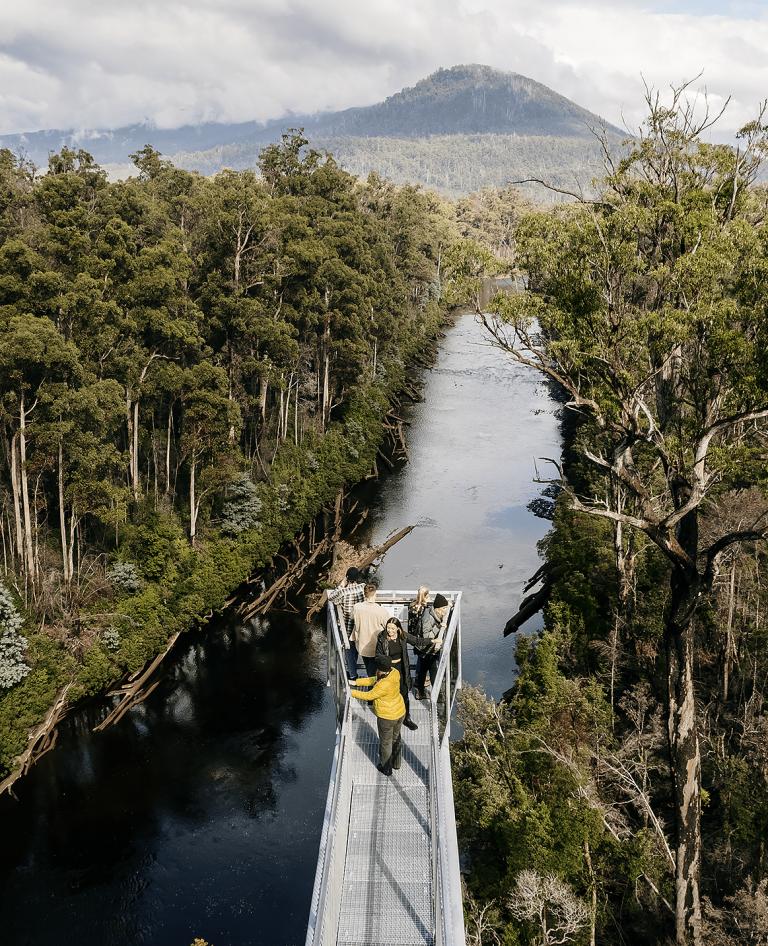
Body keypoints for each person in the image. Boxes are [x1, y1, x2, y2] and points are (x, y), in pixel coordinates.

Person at [350, 654, 405, 776]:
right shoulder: (394, 672)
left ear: (380, 668)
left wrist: (351, 692)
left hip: (387, 717)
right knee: (396, 738)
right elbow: (374, 679)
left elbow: (369, 695)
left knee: (386, 742)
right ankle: (397, 763)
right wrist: (356, 682)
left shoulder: (383, 685)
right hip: (400, 711)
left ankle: (386, 768)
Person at [376, 616, 432, 731]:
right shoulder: (382, 638)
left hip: (402, 669)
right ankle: (391, 718)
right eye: (388, 628)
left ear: (398, 628)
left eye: (392, 628)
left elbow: (417, 641)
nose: (390, 631)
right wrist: (388, 663)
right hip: (389, 671)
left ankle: (406, 718)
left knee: (404, 693)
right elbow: (378, 656)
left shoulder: (403, 636)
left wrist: (432, 641)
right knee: (390, 694)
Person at [326, 567, 365, 680]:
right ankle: (353, 671)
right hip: (359, 626)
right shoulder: (362, 587)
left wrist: (342, 584)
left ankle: (353, 674)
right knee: (355, 648)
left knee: (348, 649)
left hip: (347, 626)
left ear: (347, 577)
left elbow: (332, 597)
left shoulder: (343, 591)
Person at [413, 592, 451, 700]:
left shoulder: (435, 612)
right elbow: (426, 637)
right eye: (444, 608)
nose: (445, 611)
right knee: (430, 671)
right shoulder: (428, 618)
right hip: (425, 649)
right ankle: (432, 695)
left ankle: (426, 693)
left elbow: (446, 606)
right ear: (438, 609)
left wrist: (449, 605)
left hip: (431, 649)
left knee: (425, 671)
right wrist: (439, 627)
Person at [352, 583, 389, 676]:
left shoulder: (357, 607)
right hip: (375, 647)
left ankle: (371, 684)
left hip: (362, 645)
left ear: (364, 594)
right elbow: (388, 625)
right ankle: (372, 688)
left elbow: (353, 618)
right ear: (375, 594)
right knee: (374, 672)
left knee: (369, 669)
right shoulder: (381, 610)